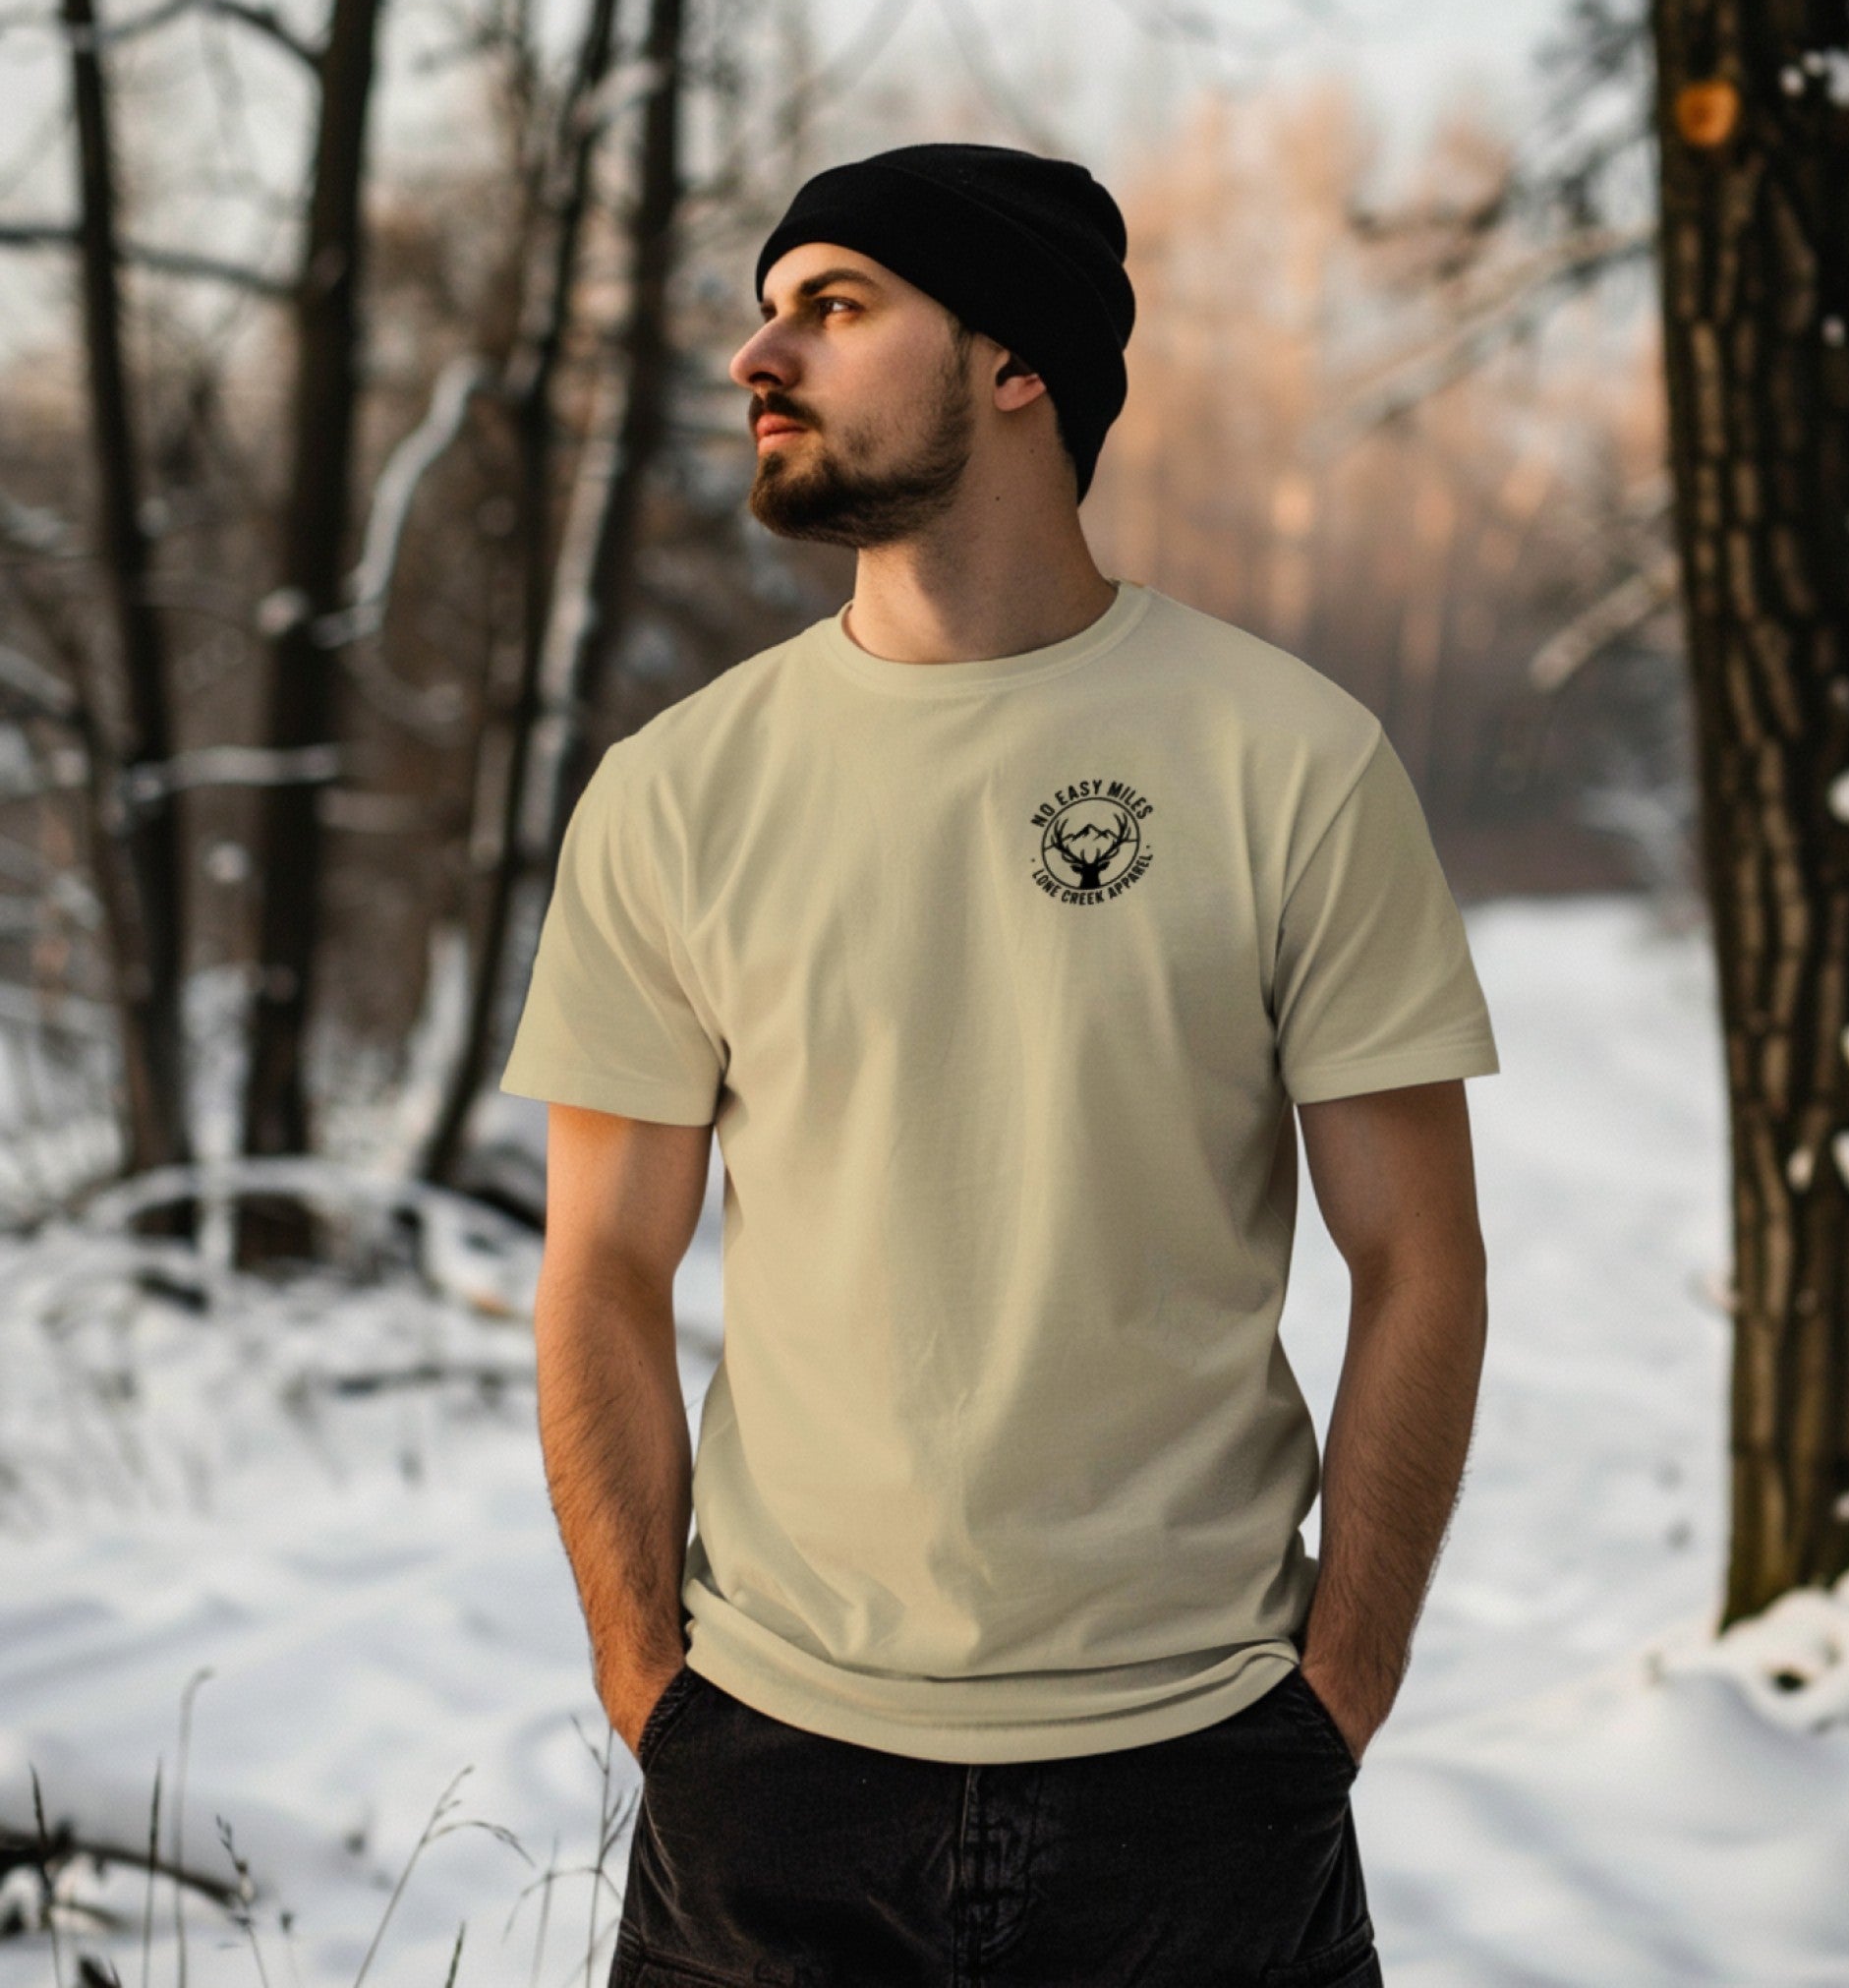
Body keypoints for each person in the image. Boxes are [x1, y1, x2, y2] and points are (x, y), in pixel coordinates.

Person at [499, 141, 1499, 1988]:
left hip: (1197, 1784)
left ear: (1015, 363)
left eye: (836, 305)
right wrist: (650, 1684)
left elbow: (1421, 1258)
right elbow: (602, 1269)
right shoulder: (679, 793)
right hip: (773, 1777)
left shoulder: (1289, 760)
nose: (758, 356)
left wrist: (1334, 1696)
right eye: (764, 309)